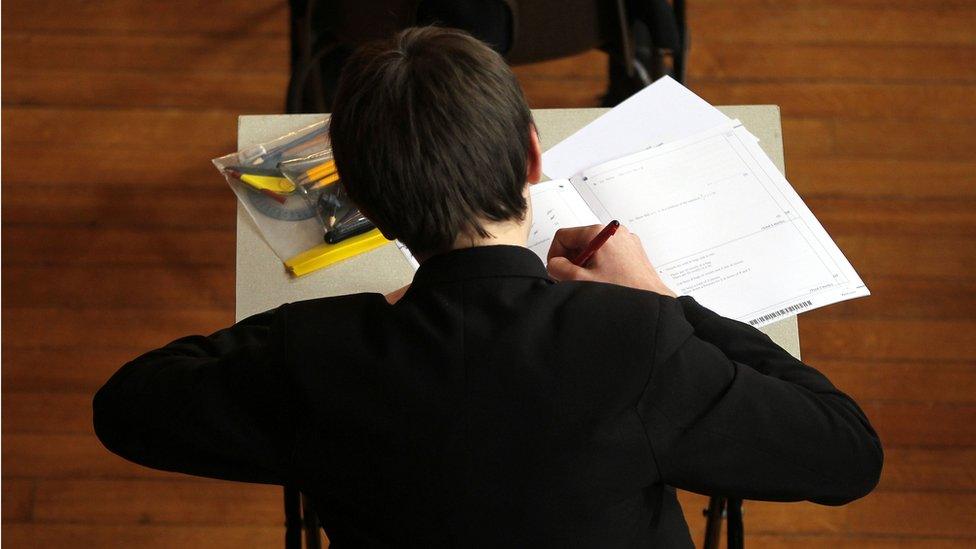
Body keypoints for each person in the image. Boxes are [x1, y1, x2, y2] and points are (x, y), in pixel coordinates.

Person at [94, 27, 882, 548]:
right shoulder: (639, 343)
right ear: (535, 158)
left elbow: (127, 404)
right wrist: (663, 302)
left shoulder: (320, 355)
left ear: (364, 207)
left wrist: (337, 325)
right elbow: (848, 452)